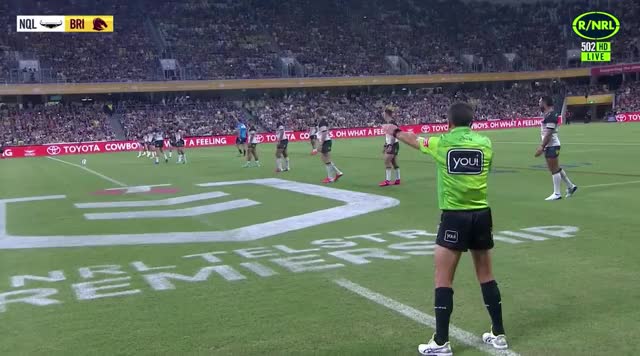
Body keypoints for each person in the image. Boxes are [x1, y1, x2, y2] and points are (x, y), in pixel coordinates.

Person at [383, 102, 508, 355]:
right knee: (486, 275)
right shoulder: (485, 143)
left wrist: (394, 131)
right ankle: (499, 333)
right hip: (482, 214)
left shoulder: (442, 143)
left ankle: (441, 341)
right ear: (472, 122)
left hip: (454, 216)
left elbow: (415, 140)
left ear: (448, 123)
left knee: (443, 278)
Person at [534, 96, 578, 201]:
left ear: (544, 103)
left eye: (540, 102)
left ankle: (557, 193)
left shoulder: (551, 115)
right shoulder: (548, 114)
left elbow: (549, 133)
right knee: (556, 168)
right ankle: (571, 186)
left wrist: (542, 146)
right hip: (551, 145)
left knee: (553, 169)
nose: (539, 104)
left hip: (552, 145)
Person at [317, 111, 343, 183]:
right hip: (326, 141)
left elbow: (324, 133)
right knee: (326, 159)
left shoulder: (322, 122)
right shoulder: (324, 121)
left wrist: (321, 144)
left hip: (326, 142)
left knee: (326, 159)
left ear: (317, 113)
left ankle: (330, 177)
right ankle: (337, 173)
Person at [379, 108, 401, 186]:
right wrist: (385, 145)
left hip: (393, 144)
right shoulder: (389, 123)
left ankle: (387, 181)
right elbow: (388, 136)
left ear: (386, 114)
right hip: (393, 144)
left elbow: (393, 135)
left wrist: (390, 145)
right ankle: (398, 179)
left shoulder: (392, 123)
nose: (383, 115)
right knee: (393, 162)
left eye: (383, 113)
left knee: (386, 161)